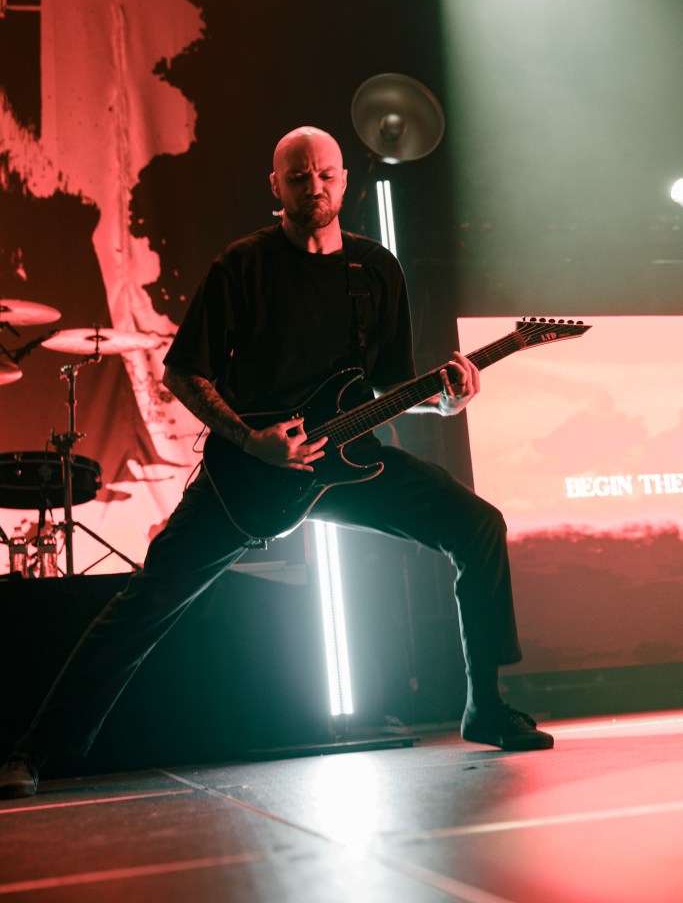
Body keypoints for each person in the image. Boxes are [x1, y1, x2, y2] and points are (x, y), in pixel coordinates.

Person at [0, 126, 552, 798]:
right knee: (145, 603)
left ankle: (486, 707)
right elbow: (185, 374)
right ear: (275, 187)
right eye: (298, 177)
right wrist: (251, 441)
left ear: (343, 180)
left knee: (477, 526)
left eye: (324, 175)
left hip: (349, 462)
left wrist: (443, 403)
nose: (313, 187)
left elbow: (386, 388)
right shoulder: (244, 265)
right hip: (249, 475)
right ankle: (34, 750)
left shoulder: (375, 270)